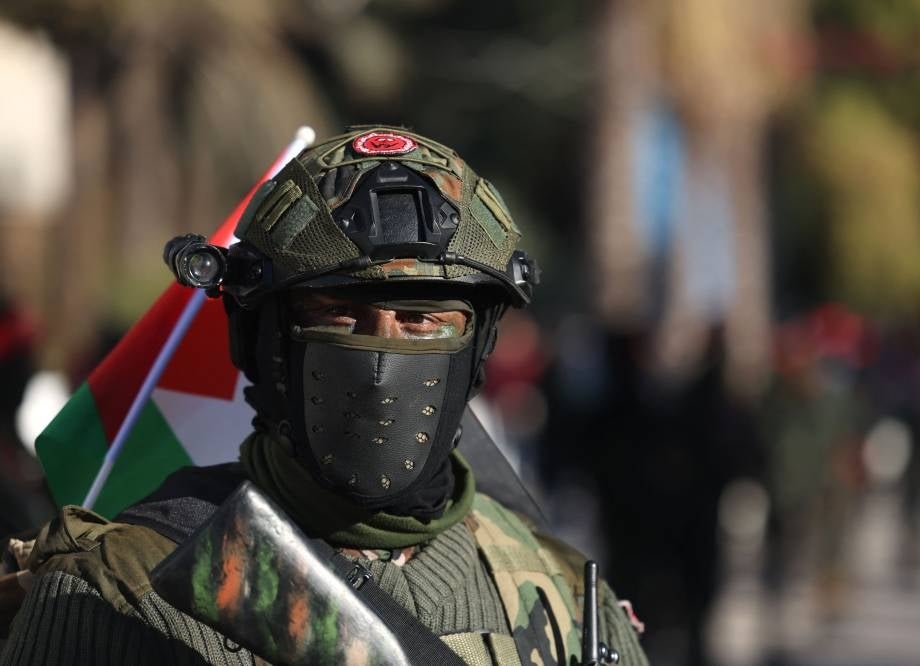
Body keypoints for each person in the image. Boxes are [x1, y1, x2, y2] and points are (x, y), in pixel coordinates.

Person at [1, 127, 648, 665]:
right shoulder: (120, 589)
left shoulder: (564, 599)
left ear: (476, 350)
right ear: (261, 342)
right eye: (339, 314)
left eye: (422, 319)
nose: (380, 359)